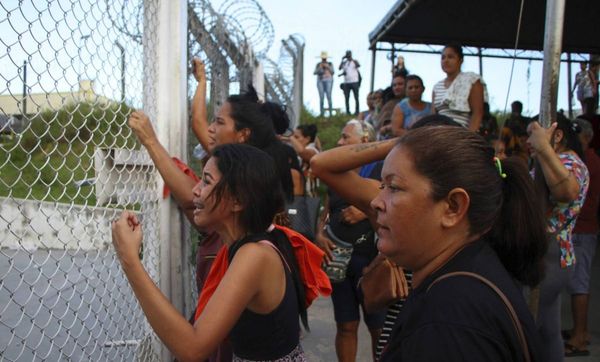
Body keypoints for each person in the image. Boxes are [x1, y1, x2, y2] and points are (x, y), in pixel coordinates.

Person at [312, 125, 546, 361]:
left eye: (393, 188)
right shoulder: (464, 277)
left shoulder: (449, 322)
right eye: (382, 186)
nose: (375, 203)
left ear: (453, 207)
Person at [112, 144, 309, 361]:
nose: (196, 189)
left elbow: (193, 349)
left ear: (238, 200)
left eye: (206, 181)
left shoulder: (255, 255)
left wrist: (129, 260)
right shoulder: (247, 246)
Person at [315, 119, 383, 362]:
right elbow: (324, 213)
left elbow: (398, 208)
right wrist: (320, 235)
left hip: (372, 263)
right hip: (339, 262)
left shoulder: (383, 170)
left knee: (379, 329)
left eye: (345, 137)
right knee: (345, 326)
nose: (340, 142)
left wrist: (366, 209)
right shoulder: (336, 175)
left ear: (365, 141)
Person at [527, 115, 589, 362]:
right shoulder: (553, 161)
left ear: (557, 135)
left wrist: (543, 148)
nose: (528, 140)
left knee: (533, 325)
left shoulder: (567, 162)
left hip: (550, 255)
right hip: (555, 255)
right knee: (548, 330)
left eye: (533, 133)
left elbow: (567, 191)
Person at [562, 118, 600, 357]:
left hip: (583, 229)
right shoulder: (587, 160)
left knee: (579, 283)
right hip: (582, 228)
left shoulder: (587, 161)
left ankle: (579, 337)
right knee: (578, 282)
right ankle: (580, 331)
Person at [432, 44, 485, 131]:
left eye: (450, 57)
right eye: (443, 58)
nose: (446, 61)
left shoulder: (472, 80)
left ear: (461, 60)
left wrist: (468, 138)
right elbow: (434, 116)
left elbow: (478, 113)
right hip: (439, 135)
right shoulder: (437, 87)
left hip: (462, 134)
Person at [376, 73, 406, 139]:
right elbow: (382, 127)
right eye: (394, 85)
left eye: (400, 84)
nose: (397, 87)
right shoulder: (390, 104)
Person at [339, 50, 361, 115]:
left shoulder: (354, 61)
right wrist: (342, 60)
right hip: (346, 82)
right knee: (347, 97)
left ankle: (357, 111)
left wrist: (352, 59)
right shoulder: (344, 63)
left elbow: (358, 65)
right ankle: (348, 111)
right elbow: (339, 68)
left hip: (354, 81)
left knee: (356, 97)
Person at [314, 51, 334, 117]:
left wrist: (327, 67)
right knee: (321, 97)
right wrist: (320, 67)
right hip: (320, 81)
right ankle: (321, 113)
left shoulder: (330, 64)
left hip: (328, 80)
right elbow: (315, 72)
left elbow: (333, 72)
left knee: (329, 95)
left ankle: (331, 113)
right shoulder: (318, 64)